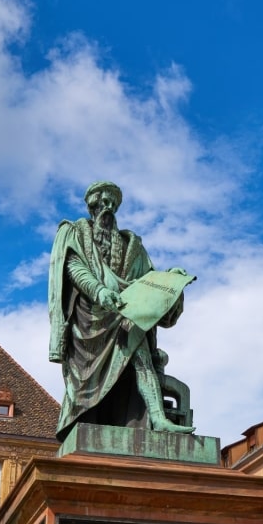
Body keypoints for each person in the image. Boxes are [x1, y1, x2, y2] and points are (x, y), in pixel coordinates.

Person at [48, 181, 195, 440]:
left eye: (113, 204)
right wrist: (100, 291)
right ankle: (91, 420)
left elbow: (148, 282)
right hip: (90, 321)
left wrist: (169, 279)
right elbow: (74, 268)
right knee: (132, 336)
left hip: (124, 315)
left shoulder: (131, 245)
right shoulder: (74, 232)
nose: (108, 208)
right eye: (103, 202)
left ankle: (158, 418)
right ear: (92, 206)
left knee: (139, 346)